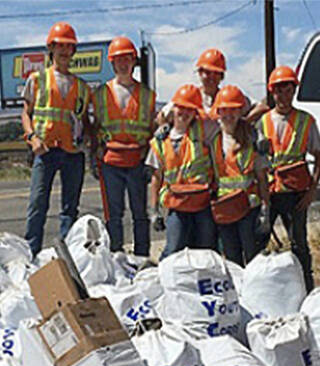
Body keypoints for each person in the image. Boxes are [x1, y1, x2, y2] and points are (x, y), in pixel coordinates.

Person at [20, 22, 92, 256]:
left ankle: (67, 256)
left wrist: (91, 146)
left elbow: (86, 120)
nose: (64, 51)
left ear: (73, 51)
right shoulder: (37, 79)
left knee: (70, 209)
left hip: (73, 152)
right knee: (37, 205)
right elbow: (26, 113)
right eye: (59, 46)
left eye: (69, 46)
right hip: (46, 150)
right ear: (51, 48)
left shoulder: (81, 86)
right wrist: (32, 138)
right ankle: (31, 254)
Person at [256, 66, 320, 292]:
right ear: (272, 93)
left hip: (296, 193)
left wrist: (312, 191)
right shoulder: (263, 122)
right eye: (278, 92)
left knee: (299, 245)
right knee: (259, 241)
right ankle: (260, 288)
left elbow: (319, 156)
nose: (283, 97)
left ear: (294, 91)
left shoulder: (306, 121)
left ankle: (306, 289)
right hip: (271, 191)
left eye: (287, 91)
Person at [92, 36, 157, 257]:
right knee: (114, 214)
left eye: (127, 59)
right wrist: (94, 155)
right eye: (118, 59)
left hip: (137, 161)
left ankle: (142, 256)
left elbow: (152, 129)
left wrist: (150, 160)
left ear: (134, 62)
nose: (123, 64)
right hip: (110, 162)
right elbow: (94, 127)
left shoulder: (147, 95)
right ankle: (115, 255)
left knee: (140, 213)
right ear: (112, 62)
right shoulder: (101, 94)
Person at [146, 84, 217, 258]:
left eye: (190, 110)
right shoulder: (160, 141)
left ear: (195, 113)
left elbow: (231, 123)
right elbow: (156, 179)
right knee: (174, 249)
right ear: (174, 108)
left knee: (206, 250)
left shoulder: (203, 131)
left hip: (202, 204)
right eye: (181, 108)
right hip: (176, 205)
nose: (184, 113)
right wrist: (154, 211)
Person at [210, 85, 269, 266]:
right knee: (232, 258)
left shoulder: (252, 138)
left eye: (233, 110)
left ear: (240, 111)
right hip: (226, 209)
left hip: (248, 208)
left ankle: (253, 293)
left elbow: (262, 177)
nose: (229, 115)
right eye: (224, 110)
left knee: (252, 256)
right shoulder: (214, 140)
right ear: (218, 112)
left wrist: (266, 208)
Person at [155, 48, 268, 126]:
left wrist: (244, 122)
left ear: (222, 76)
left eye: (216, 73)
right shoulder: (190, 96)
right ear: (199, 73)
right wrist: (165, 130)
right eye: (207, 73)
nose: (211, 77)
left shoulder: (229, 97)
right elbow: (162, 116)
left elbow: (262, 107)